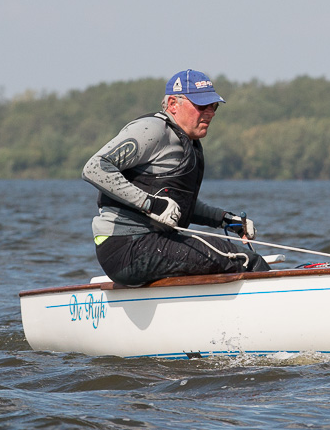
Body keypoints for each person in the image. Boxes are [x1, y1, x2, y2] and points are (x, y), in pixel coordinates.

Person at [82, 69, 270, 286]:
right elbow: (94, 168)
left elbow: (177, 203)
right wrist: (152, 204)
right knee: (245, 260)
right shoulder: (152, 130)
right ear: (173, 104)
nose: (210, 113)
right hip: (127, 246)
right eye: (202, 106)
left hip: (154, 243)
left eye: (214, 106)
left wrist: (225, 219)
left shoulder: (187, 141)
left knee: (230, 255)